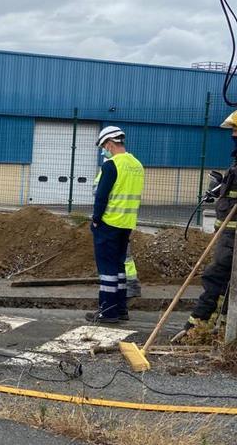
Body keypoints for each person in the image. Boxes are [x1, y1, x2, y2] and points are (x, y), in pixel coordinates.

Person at [173, 107, 237, 342]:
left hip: (234, 235)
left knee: (216, 277)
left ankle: (200, 326)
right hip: (226, 233)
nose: (232, 135)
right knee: (221, 279)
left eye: (235, 130)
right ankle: (214, 327)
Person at [87, 126, 144, 324]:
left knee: (107, 269)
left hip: (108, 222)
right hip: (127, 224)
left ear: (110, 143)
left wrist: (95, 219)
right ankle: (121, 309)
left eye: (104, 146)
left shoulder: (112, 165)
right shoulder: (137, 164)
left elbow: (102, 196)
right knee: (120, 267)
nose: (104, 150)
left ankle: (108, 312)